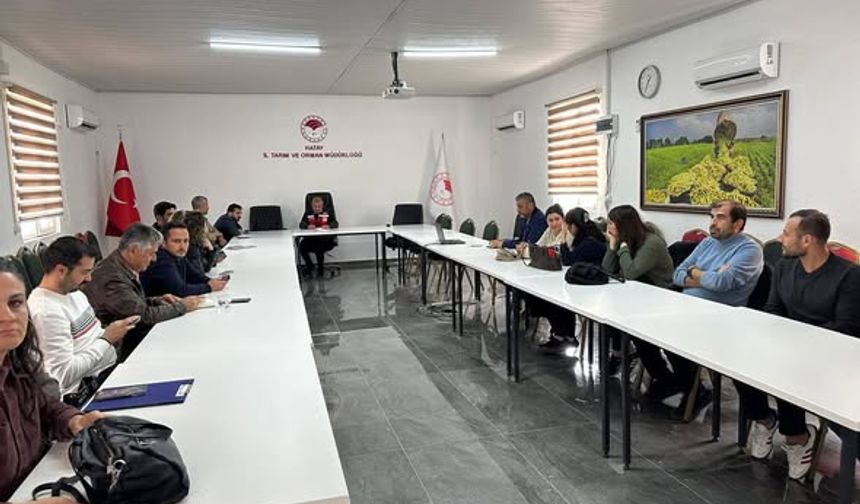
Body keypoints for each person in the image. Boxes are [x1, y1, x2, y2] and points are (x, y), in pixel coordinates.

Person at [736, 209, 860, 480]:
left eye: (787, 233)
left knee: (786, 371)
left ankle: (797, 437)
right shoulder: (783, 268)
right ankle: (764, 420)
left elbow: (846, 327)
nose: (780, 239)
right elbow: (772, 309)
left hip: (829, 354)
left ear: (808, 241)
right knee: (737, 363)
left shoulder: (849, 275)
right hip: (788, 345)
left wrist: (795, 340)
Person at [1, 260, 105, 503]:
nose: (7, 317)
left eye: (15, 303)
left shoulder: (20, 362)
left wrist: (74, 420)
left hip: (35, 484)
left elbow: (46, 406)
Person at [665, 201, 764, 417]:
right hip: (688, 309)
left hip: (722, 317)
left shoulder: (749, 250)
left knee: (667, 334)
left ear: (738, 224)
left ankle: (692, 390)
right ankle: (680, 384)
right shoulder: (708, 243)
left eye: (720, 217)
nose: (712, 223)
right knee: (648, 330)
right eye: (711, 217)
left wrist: (696, 273)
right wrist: (705, 276)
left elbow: (722, 283)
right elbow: (677, 274)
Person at [27, 237, 140, 403]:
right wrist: (107, 339)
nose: (89, 279)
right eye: (85, 272)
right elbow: (64, 375)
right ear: (61, 271)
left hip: (110, 372)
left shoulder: (76, 294)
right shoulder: (46, 311)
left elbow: (93, 338)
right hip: (87, 394)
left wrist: (115, 330)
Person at [82, 223, 202, 361]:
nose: (154, 259)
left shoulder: (120, 265)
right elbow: (142, 317)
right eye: (151, 253)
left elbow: (132, 304)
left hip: (130, 341)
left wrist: (156, 300)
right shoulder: (111, 277)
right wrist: (183, 306)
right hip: (118, 353)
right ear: (133, 250)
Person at [602, 205, 676, 389]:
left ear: (625, 225)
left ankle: (665, 377)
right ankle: (620, 353)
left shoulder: (652, 242)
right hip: (637, 296)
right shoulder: (626, 239)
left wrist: (623, 247)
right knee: (608, 316)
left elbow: (631, 272)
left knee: (639, 335)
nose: (609, 228)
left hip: (660, 298)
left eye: (612, 223)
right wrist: (613, 246)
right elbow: (607, 269)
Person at [140, 222, 228, 297]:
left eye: (186, 241)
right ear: (163, 243)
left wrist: (210, 281)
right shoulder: (161, 259)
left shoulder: (177, 255)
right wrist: (209, 287)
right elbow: (180, 290)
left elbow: (194, 276)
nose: (182, 246)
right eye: (176, 241)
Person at [298, 195, 339, 277]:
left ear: (322, 206)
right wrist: (307, 226)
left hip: (325, 239)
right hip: (311, 239)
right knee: (301, 246)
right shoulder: (308, 213)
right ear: (312, 206)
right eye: (315, 206)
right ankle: (310, 265)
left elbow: (335, 223)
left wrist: (329, 226)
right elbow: (301, 224)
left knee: (319, 247)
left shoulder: (327, 213)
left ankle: (320, 270)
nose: (317, 208)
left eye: (319, 206)